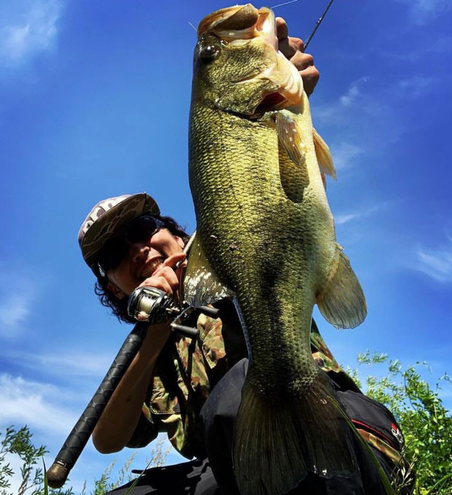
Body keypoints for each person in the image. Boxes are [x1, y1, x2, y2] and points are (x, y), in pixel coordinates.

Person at [77, 22, 412, 495]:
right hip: (228, 464)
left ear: (175, 231)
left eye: (142, 228)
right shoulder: (151, 355)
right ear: (114, 287)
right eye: (114, 253)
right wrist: (152, 334)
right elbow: (109, 439)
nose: (137, 247)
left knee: (238, 386)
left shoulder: (226, 250)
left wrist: (283, 94)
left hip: (339, 423)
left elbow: (272, 188)